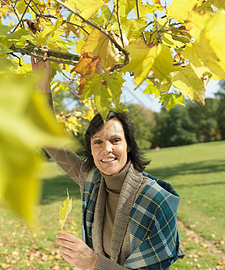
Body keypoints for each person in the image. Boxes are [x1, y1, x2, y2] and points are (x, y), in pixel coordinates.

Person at [31, 53, 184, 270]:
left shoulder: (156, 200)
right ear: (91, 150)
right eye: (98, 142)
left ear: (128, 145)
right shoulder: (91, 180)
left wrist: (94, 263)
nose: (107, 149)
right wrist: (42, 87)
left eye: (115, 140)